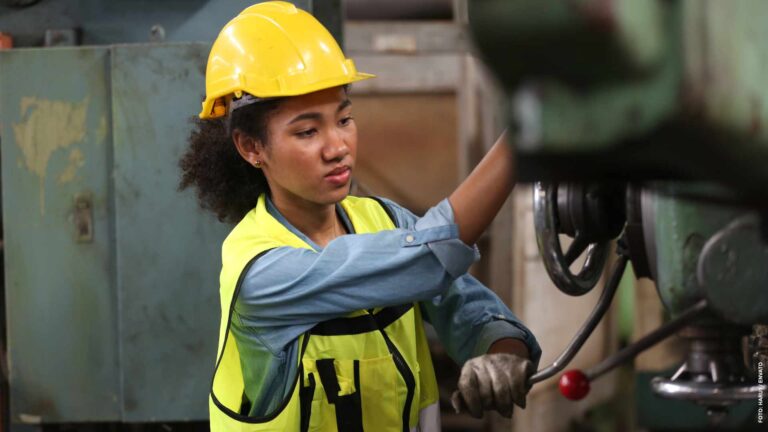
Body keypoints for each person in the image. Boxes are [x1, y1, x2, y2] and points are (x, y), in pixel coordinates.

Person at [179, 2, 541, 431]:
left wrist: (500, 354)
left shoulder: (385, 220)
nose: (338, 147)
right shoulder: (261, 270)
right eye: (308, 131)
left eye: (345, 119)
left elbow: (469, 310)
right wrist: (529, 132)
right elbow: (429, 260)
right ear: (251, 148)